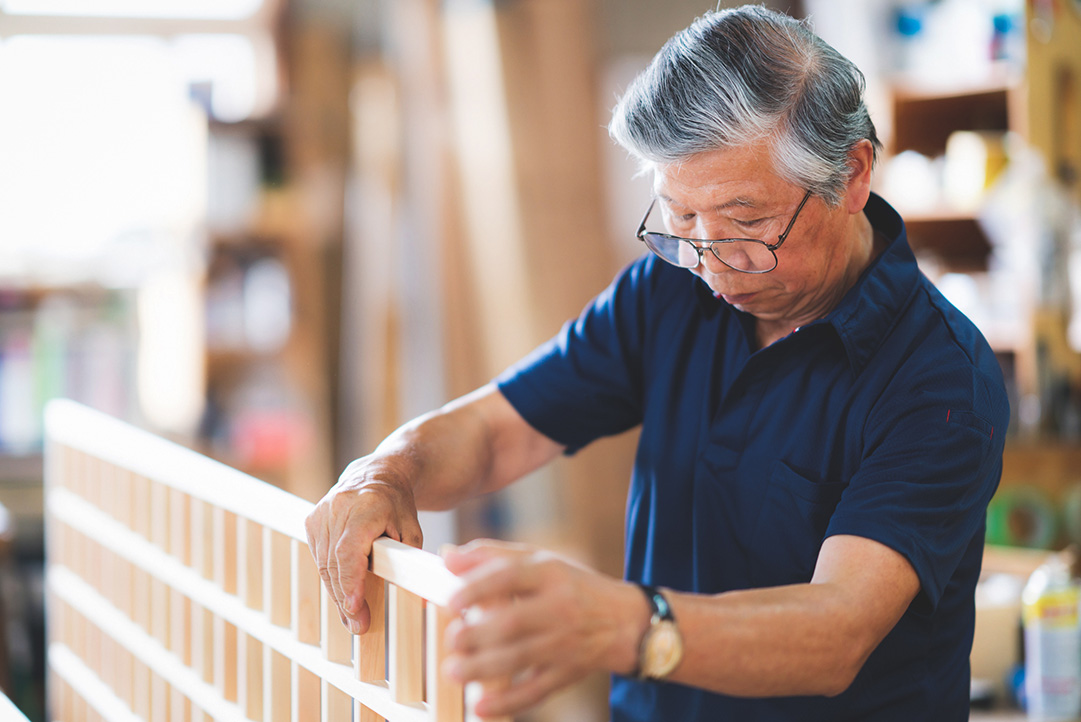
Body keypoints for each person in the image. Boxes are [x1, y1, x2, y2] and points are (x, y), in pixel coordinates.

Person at [305, 5, 1009, 720]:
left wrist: (620, 625)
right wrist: (384, 474)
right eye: (679, 220)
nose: (713, 265)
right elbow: (498, 431)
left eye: (747, 223)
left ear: (852, 174)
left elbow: (836, 629)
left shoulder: (941, 380)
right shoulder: (671, 287)